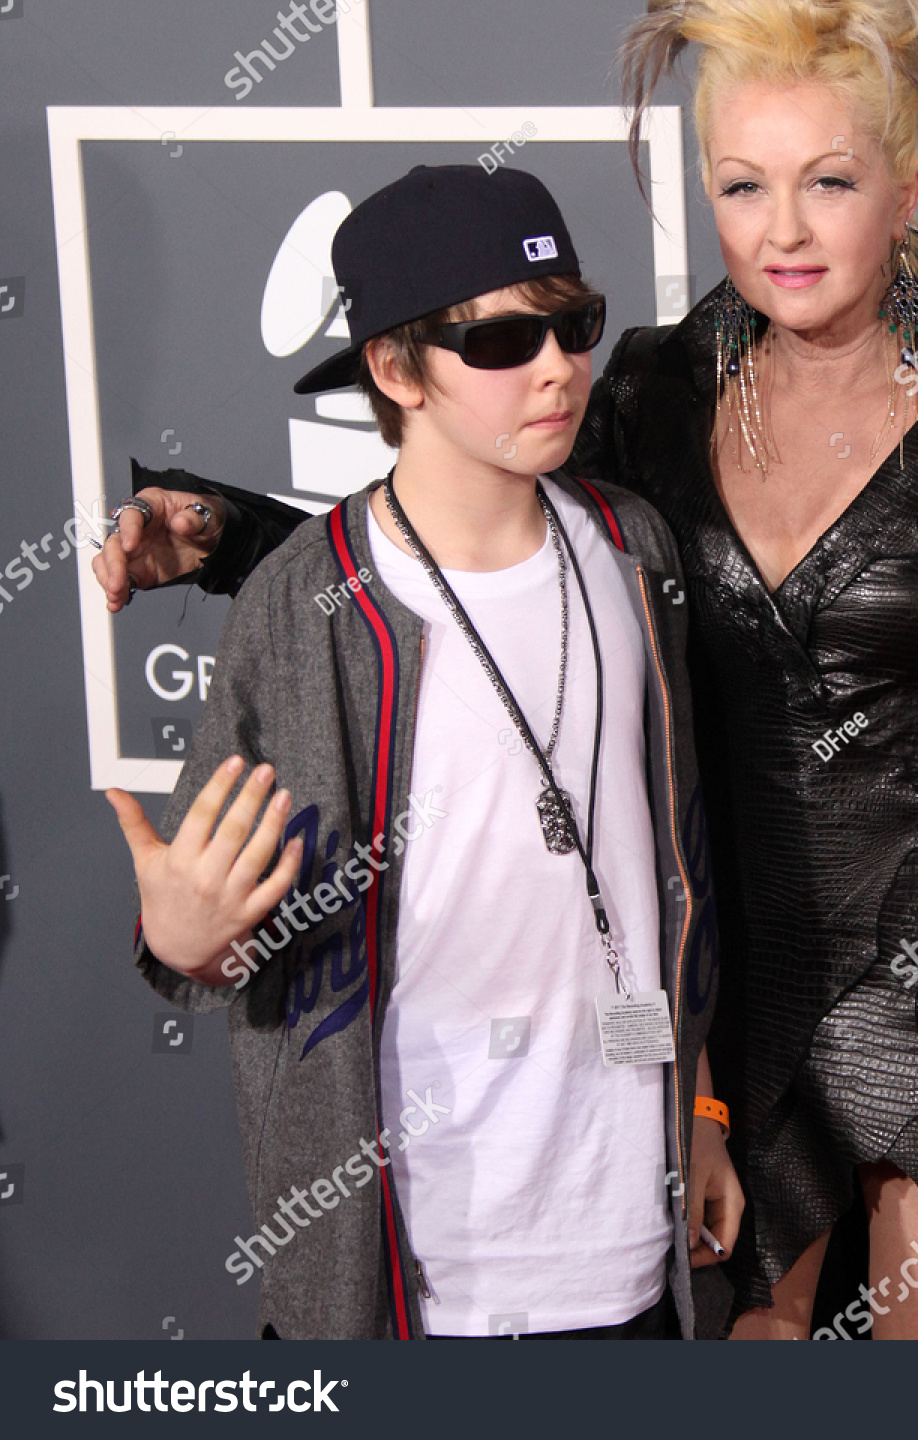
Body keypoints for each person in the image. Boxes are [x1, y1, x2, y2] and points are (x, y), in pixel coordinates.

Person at [96, 0, 918, 1339]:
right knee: (750, 1346)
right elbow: (478, 545)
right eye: (740, 186)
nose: (782, 233)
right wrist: (223, 537)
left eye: (825, 182)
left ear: (901, 182)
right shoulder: (649, 389)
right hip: (733, 960)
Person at [106, 164, 742, 1341]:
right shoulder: (304, 606)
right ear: (395, 371)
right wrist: (181, 942)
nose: (557, 366)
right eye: (503, 341)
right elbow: (197, 918)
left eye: (574, 325)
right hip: (405, 1262)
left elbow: (679, 870)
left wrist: (698, 1103)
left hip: (633, 1247)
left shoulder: (634, 552)